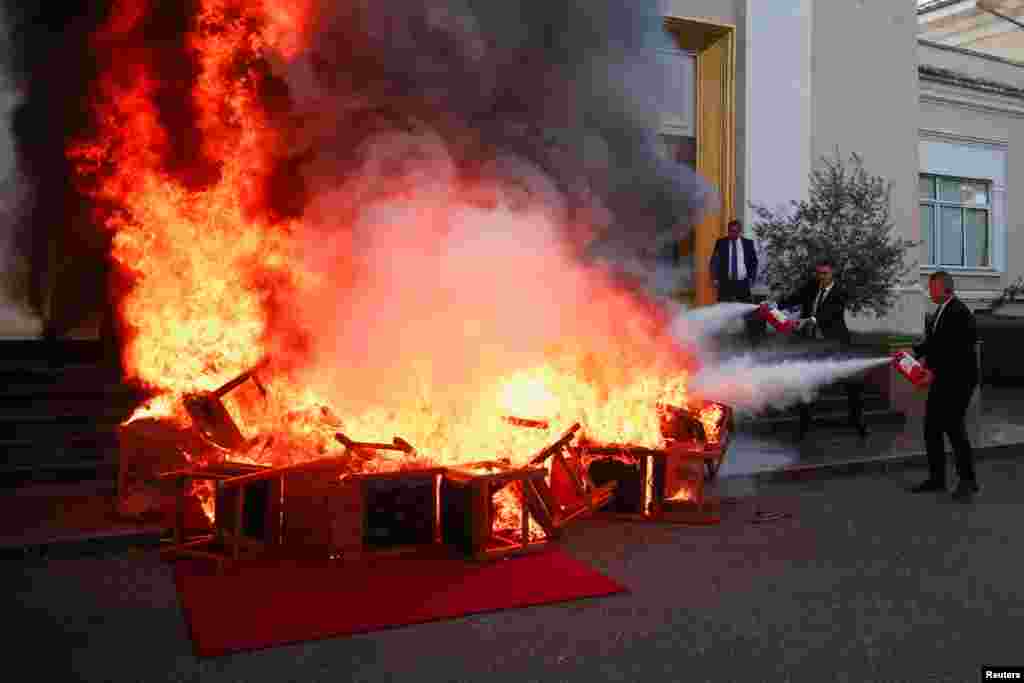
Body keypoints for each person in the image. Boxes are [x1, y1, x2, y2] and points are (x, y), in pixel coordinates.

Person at [776, 258, 867, 440]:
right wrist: (776, 305)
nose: (821, 277)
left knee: (852, 383)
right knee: (805, 380)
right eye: (819, 273)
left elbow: (830, 313)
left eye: (825, 273)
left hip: (835, 343)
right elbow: (794, 298)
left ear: (832, 274)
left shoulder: (840, 292)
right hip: (812, 343)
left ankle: (857, 420)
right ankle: (804, 425)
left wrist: (811, 320)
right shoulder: (812, 286)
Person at [908, 271, 980, 502]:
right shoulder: (942, 310)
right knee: (932, 429)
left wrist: (933, 372)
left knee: (954, 429)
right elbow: (937, 343)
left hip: (958, 382)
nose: (929, 292)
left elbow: (958, 352)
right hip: (942, 379)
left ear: (943, 288)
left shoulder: (959, 312)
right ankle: (937, 478)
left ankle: (968, 481)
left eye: (932, 287)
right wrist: (915, 354)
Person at [709, 219, 762, 345]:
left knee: (749, 312)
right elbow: (714, 261)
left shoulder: (748, 243)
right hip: (726, 283)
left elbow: (754, 262)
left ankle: (753, 340)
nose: (733, 233)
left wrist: (751, 278)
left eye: (735, 231)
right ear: (728, 231)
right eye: (731, 231)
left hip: (742, 282)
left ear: (740, 231)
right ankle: (720, 340)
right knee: (721, 311)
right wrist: (715, 278)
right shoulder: (721, 243)